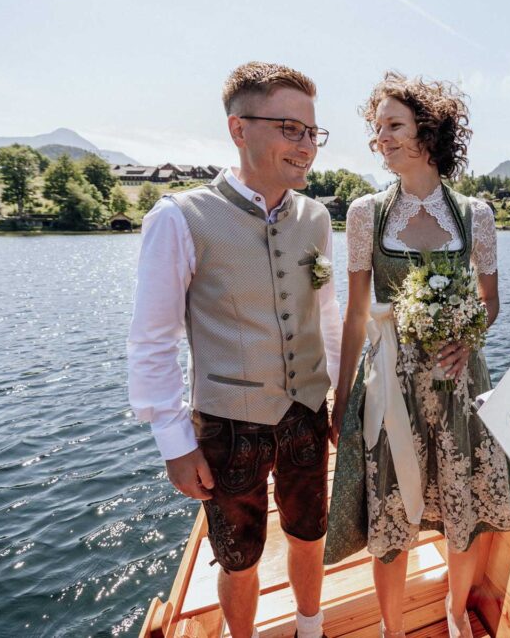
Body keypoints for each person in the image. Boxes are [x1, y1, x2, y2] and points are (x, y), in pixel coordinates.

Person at [127, 62, 341, 638]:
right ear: (238, 128)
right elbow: (153, 342)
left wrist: (340, 396)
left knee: (310, 532)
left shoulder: (317, 218)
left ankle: (310, 626)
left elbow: (326, 317)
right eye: (289, 129)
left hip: (306, 414)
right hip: (227, 426)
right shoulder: (179, 218)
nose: (306, 146)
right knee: (238, 556)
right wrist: (174, 443)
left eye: (312, 132)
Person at [326, 72, 510, 638]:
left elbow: (491, 300)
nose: (379, 138)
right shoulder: (366, 213)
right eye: (376, 128)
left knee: (463, 508)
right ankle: (391, 628)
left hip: (459, 382)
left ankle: (455, 614)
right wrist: (342, 397)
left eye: (393, 126)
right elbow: (356, 312)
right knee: (390, 513)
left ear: (428, 134)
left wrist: (469, 336)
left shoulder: (475, 215)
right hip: (389, 382)